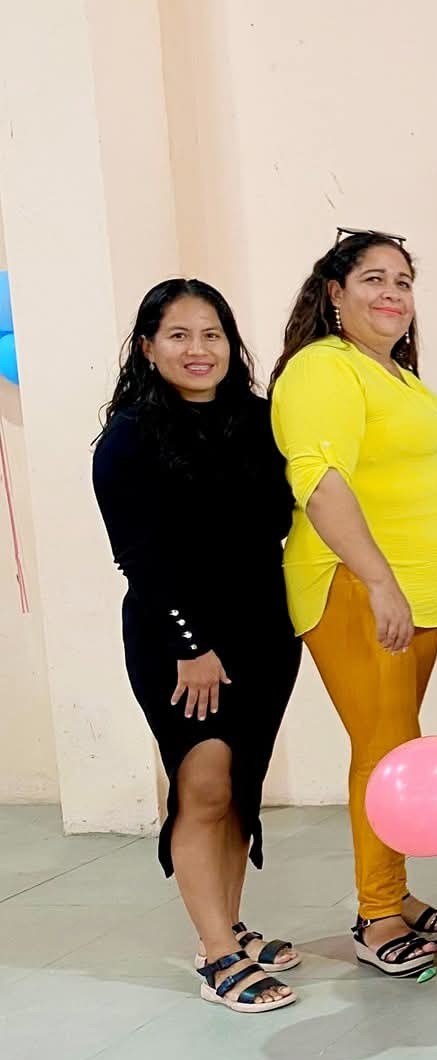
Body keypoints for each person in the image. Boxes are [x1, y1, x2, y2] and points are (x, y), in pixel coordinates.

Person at [270, 228, 437, 976]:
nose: (392, 293)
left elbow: (423, 480)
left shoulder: (397, 376)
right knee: (383, 749)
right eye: (373, 279)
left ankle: (395, 890)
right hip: (355, 585)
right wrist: (380, 580)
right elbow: (321, 481)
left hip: (415, 592)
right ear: (334, 293)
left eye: (402, 281)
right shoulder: (323, 369)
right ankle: (376, 913)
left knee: (398, 741)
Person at [92, 280, 301, 1013]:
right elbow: (141, 558)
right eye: (178, 335)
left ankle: (229, 925)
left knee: (241, 786)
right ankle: (216, 954)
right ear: (148, 347)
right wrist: (192, 645)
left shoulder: (261, 422)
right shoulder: (127, 438)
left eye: (211, 334)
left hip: (264, 631)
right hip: (176, 638)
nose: (198, 349)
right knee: (204, 784)